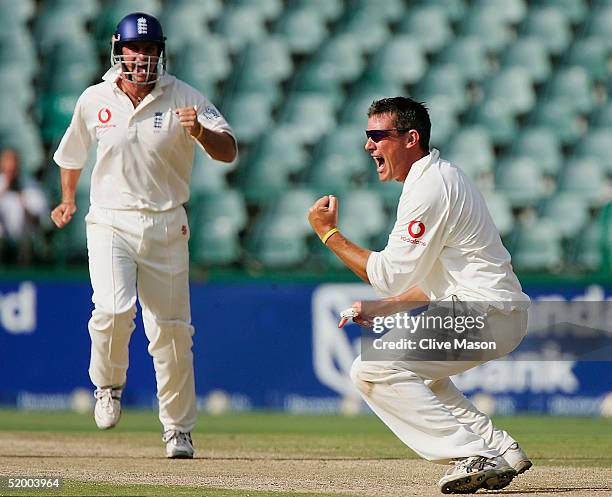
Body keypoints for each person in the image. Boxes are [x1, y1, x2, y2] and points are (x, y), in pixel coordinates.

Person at [308, 97, 531, 494]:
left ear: (411, 139)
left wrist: (328, 234)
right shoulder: (440, 177)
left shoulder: (430, 186)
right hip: (495, 310)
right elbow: (433, 279)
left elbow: (388, 274)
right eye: (367, 136)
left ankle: (472, 453)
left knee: (373, 369)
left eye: (378, 136)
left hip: (485, 311)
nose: (368, 146)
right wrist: (384, 308)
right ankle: (499, 448)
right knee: (425, 379)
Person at [50, 13, 237, 458]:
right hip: (110, 220)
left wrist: (201, 132)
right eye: (135, 49)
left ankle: (177, 429)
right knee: (113, 310)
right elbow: (72, 153)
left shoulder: (185, 96)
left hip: (167, 224)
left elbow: (228, 149)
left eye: (150, 50)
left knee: (171, 332)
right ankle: (108, 385)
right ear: (120, 50)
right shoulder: (95, 99)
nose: (142, 58)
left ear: (160, 53)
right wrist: (68, 198)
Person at [0, 148, 49, 264]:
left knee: (27, 245)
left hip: (26, 242)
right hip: (2, 242)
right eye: (7, 162)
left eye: (14, 162)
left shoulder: (30, 186)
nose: (11, 166)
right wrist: (5, 189)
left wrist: (23, 202)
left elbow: (40, 221)